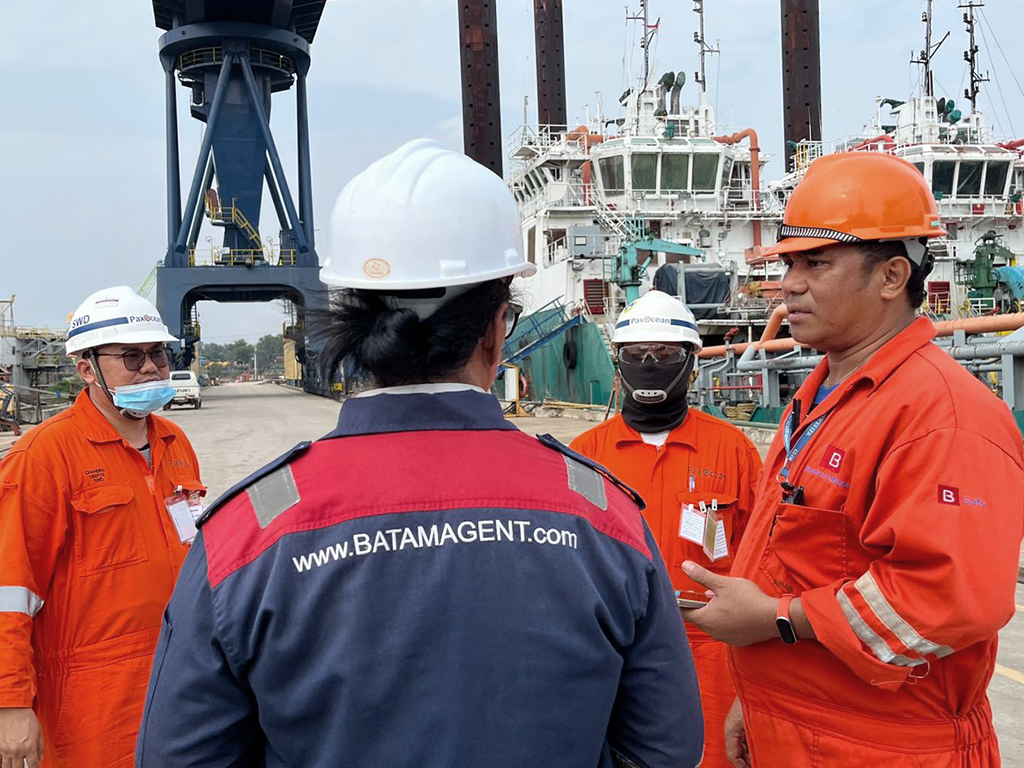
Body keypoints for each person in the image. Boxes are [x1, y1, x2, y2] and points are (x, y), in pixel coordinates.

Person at [136, 139, 704, 768]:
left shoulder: (246, 536)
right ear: (494, 331)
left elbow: (178, 755)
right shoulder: (603, 514)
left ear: (347, 322)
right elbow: (665, 748)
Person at [681, 151, 1024, 767]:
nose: (790, 283)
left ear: (893, 276)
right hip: (795, 730)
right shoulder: (819, 398)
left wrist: (777, 621)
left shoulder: (941, 417)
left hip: (884, 746)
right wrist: (753, 701)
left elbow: (948, 603)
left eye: (817, 262)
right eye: (790, 262)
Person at [0, 286, 204, 768]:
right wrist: (10, 705)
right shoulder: (44, 458)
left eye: (157, 351)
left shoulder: (175, 441)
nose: (151, 366)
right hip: (91, 695)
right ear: (86, 367)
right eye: (131, 357)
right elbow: (9, 588)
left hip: (181, 678)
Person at [570, 289, 762, 768]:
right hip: (613, 652)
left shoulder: (733, 451)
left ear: (692, 363)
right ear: (619, 362)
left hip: (713, 653)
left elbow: (765, 557)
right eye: (636, 354)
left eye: (666, 354)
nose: (650, 363)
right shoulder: (584, 455)